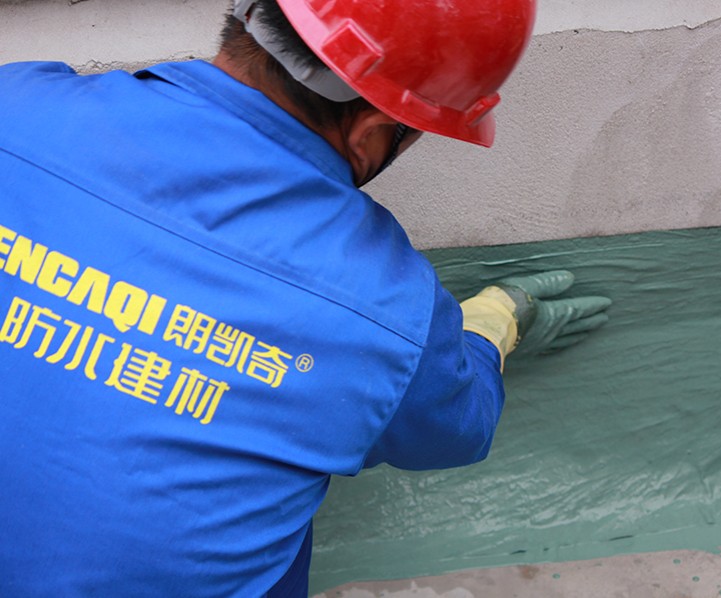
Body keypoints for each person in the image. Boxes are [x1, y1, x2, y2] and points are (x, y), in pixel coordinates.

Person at [0, 0, 611, 595]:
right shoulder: (388, 310)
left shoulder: (15, 104)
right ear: (372, 133)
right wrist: (487, 332)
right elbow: (456, 432)